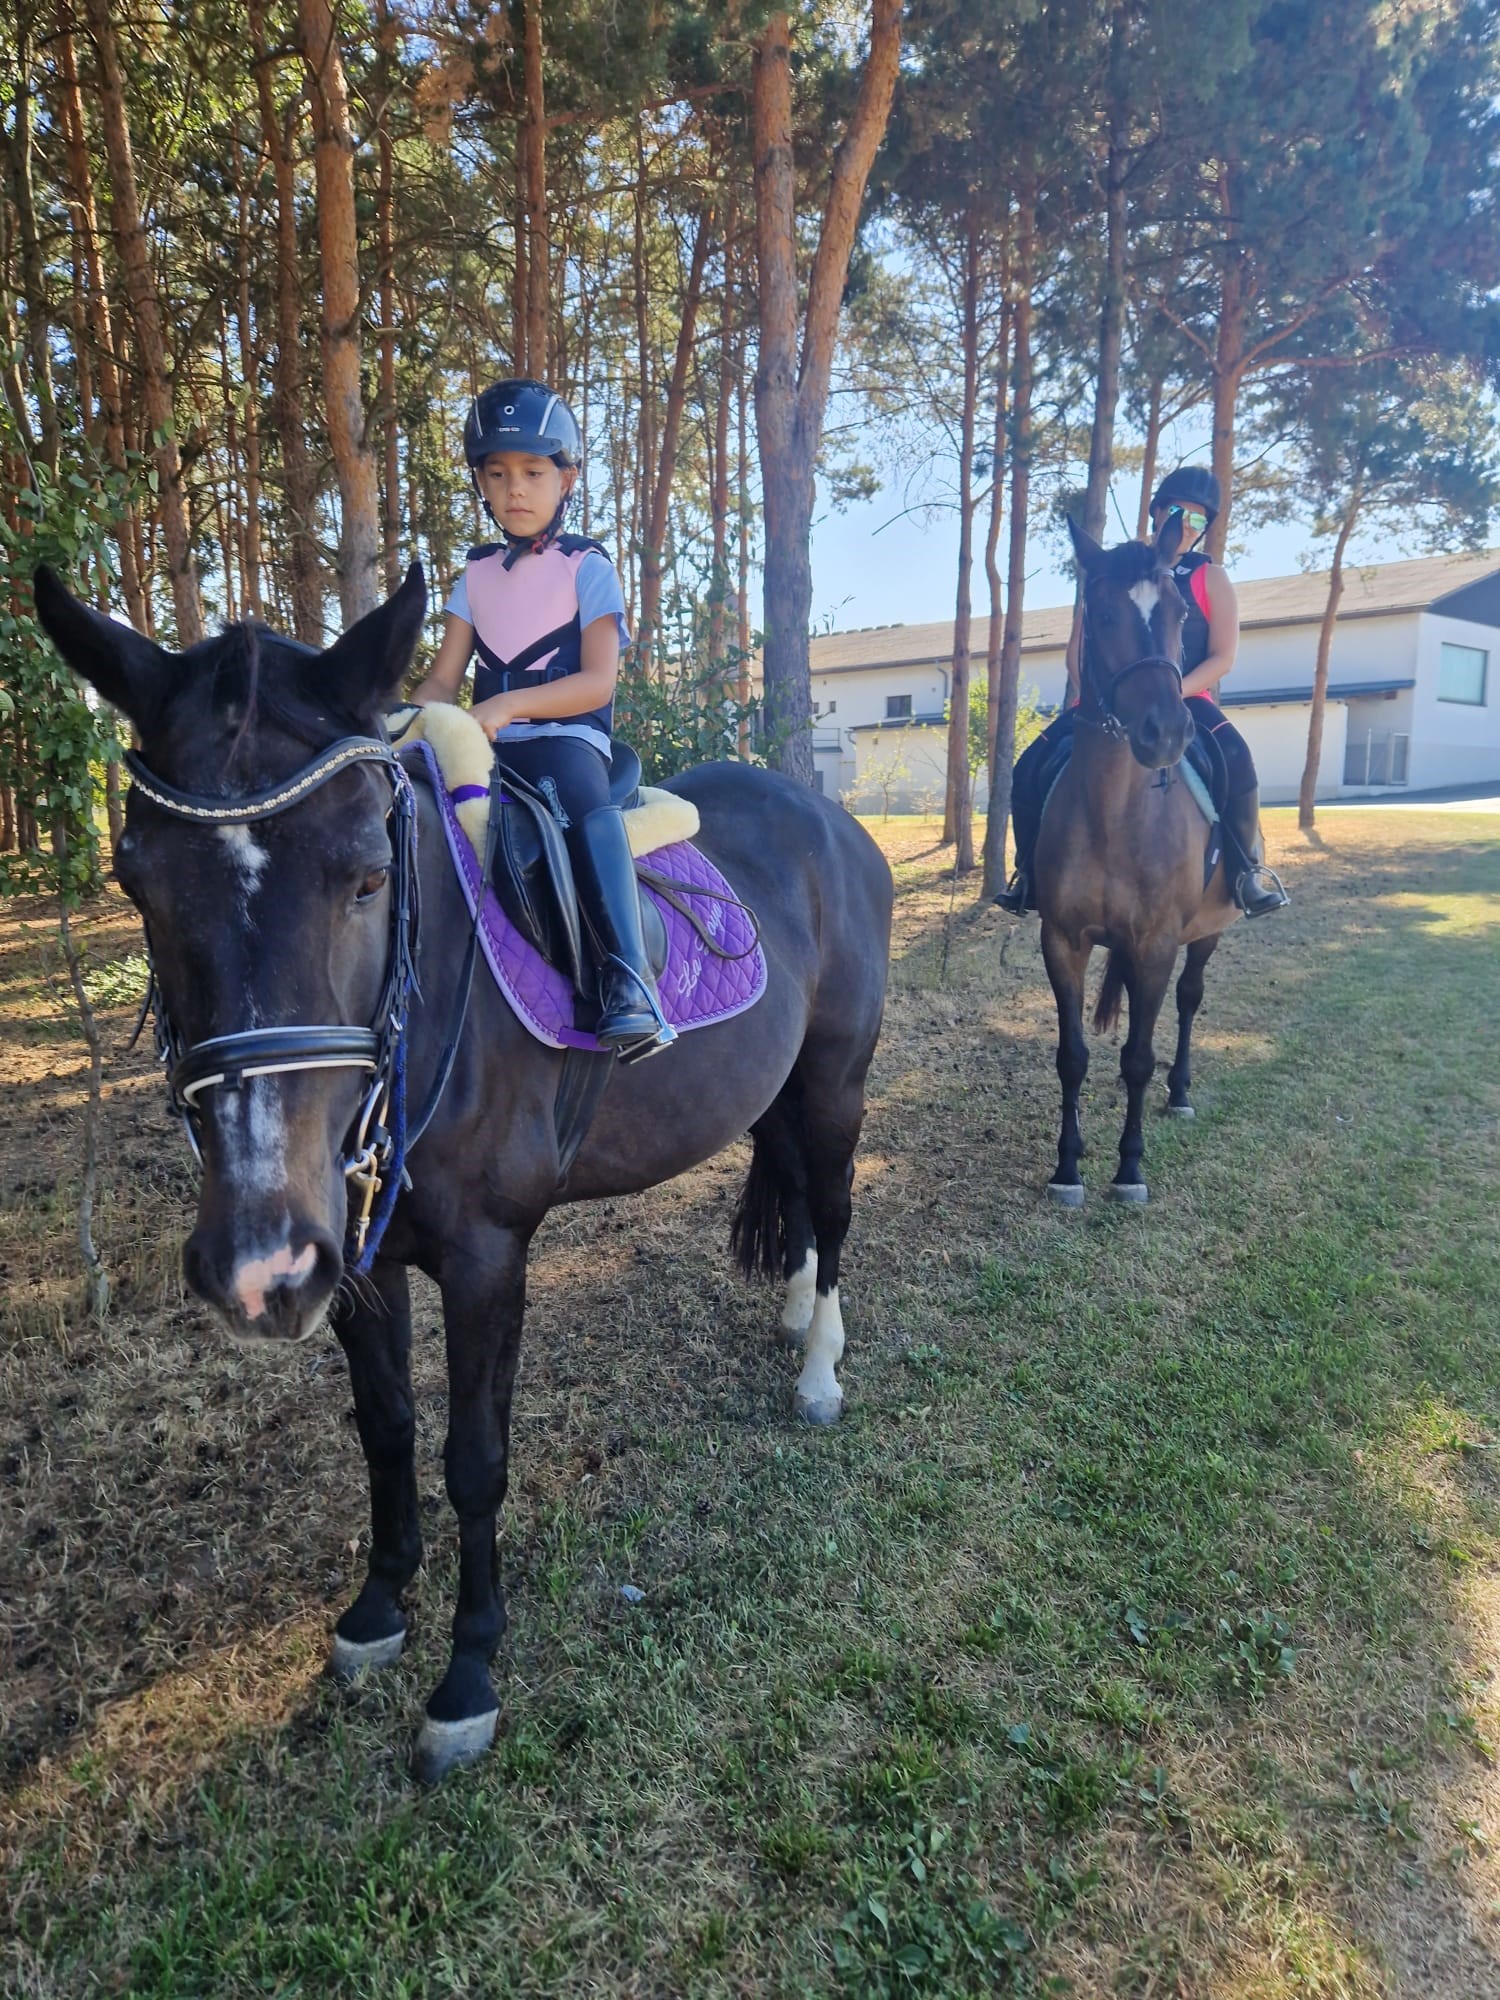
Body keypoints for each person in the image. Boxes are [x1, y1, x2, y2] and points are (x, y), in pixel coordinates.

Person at [407, 377, 676, 1054]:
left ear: (567, 480)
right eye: (496, 474)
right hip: (486, 744)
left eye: (532, 472)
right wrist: (397, 723)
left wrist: (507, 704)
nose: (515, 489)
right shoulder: (472, 578)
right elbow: (443, 677)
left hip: (565, 739)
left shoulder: (588, 567)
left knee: (582, 807)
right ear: (481, 484)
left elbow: (597, 681)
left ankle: (628, 979)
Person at [994, 466, 1289, 918]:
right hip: (1106, 704)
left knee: (1237, 759)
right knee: (1031, 763)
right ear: (1156, 514)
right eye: (1176, 512)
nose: (1185, 525)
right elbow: (1077, 653)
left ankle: (1245, 873)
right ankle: (1029, 874)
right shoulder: (1114, 569)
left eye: (1197, 520)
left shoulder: (1211, 578)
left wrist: (1173, 691)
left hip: (1185, 700)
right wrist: (1107, 700)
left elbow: (1222, 658)